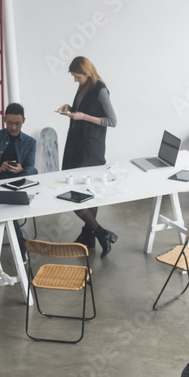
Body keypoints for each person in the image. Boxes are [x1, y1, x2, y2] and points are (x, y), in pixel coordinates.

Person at [56, 56, 118, 257]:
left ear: (87, 73)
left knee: (83, 193)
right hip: (76, 145)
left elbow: (111, 121)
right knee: (79, 191)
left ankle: (95, 233)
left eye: (77, 77)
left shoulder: (100, 90)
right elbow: (82, 111)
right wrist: (71, 109)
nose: (75, 80)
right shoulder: (83, 87)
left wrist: (82, 116)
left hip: (90, 149)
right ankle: (93, 234)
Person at [0, 102, 37, 260]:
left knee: (32, 171)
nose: (13, 127)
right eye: (10, 123)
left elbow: (30, 168)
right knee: (8, 204)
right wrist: (0, 169)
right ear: (5, 120)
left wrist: (19, 170)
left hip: (17, 181)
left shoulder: (30, 142)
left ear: (23, 121)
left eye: (17, 123)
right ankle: (20, 241)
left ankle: (19, 241)